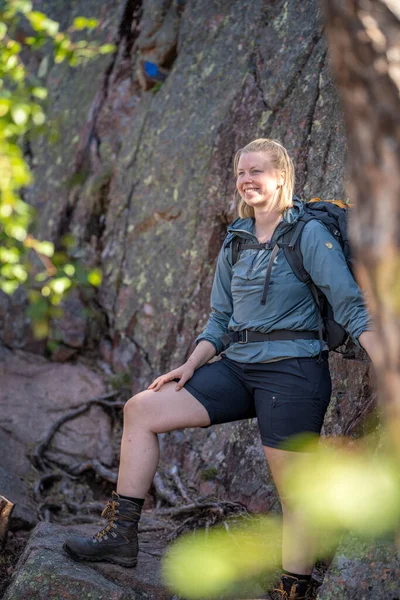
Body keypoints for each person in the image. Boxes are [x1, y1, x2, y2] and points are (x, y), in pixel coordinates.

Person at [63, 138, 376, 600]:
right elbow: (220, 320)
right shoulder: (237, 238)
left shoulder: (308, 234)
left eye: (256, 172)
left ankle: (294, 589)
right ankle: (120, 538)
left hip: (293, 374)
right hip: (238, 368)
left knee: (295, 495)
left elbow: (352, 308)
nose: (246, 180)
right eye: (240, 173)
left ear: (281, 177)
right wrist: (188, 365)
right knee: (141, 409)